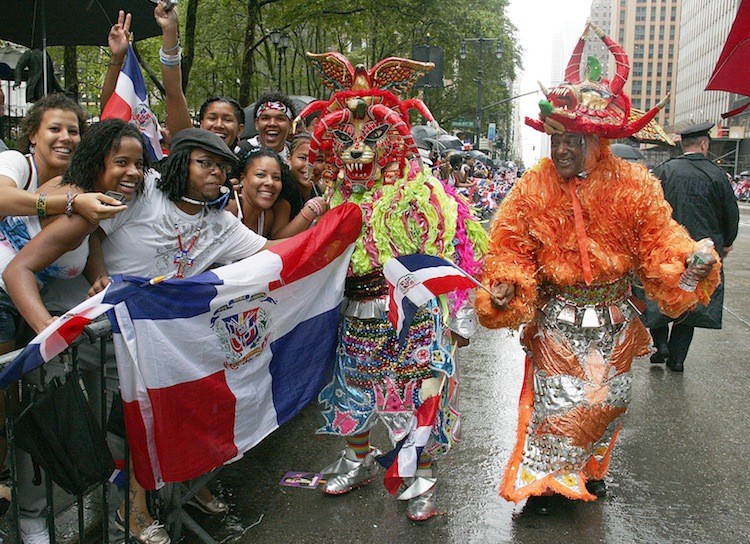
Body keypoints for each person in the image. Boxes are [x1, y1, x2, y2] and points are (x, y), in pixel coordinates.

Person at [474, 22, 721, 515]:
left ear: (599, 141)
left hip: (613, 322)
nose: (561, 150)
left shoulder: (633, 185)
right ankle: (545, 483)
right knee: (556, 404)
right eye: (556, 139)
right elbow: (508, 246)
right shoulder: (533, 187)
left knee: (607, 403)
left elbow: (662, 241)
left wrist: (691, 266)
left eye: (574, 141)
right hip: (558, 321)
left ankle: (590, 469)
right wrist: (505, 284)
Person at [305, 52, 487, 522]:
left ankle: (419, 474)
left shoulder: (422, 192)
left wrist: (462, 314)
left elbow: (458, 251)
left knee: (414, 395)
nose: (357, 151)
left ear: (394, 139)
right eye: (345, 140)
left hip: (412, 319)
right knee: (352, 389)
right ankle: (357, 456)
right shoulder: (332, 197)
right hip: (354, 315)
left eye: (372, 137)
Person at [1, 119, 144, 544]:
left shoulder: (92, 204)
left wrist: (98, 276)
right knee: (49, 426)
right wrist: (49, 332)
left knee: (79, 423)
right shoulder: (73, 203)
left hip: (69, 329)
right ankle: (32, 518)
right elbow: (17, 270)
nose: (133, 173)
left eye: (139, 164)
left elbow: (89, 241)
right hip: (42, 328)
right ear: (96, 163)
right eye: (121, 162)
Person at [643, 122, 739, 372]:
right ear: (704, 144)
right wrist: (727, 242)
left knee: (659, 297)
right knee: (692, 302)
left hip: (666, 250)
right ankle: (677, 357)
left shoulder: (665, 171)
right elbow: (731, 213)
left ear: (682, 144)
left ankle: (660, 344)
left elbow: (648, 207)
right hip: (703, 252)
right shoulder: (717, 175)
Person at [0, 93, 126, 220]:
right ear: (33, 135)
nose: (66, 138)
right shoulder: (15, 161)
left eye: (73, 132)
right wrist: (71, 203)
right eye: (55, 129)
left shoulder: (79, 180)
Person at [227, 146, 326, 238]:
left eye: (276, 177)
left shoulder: (267, 217)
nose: (270, 182)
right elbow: (274, 247)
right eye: (260, 175)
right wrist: (311, 210)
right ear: (242, 177)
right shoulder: (228, 209)